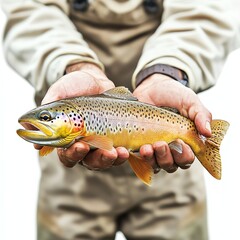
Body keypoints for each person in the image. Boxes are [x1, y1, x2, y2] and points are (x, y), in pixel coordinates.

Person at [2, 0, 238, 239]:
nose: (41, 121)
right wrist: (71, 65)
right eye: (47, 117)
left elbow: (208, 12)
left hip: (168, 177)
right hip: (71, 185)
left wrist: (168, 72)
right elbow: (28, 12)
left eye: (46, 117)